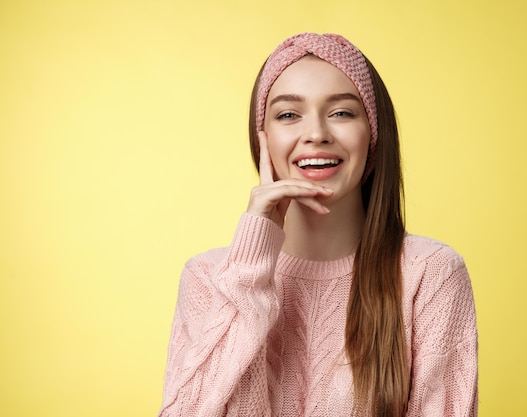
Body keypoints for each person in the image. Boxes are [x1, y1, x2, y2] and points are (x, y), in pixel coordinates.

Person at [158, 33, 478, 417]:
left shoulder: (431, 274)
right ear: (262, 140)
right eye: (288, 115)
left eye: (341, 112)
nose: (316, 134)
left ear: (373, 135)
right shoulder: (209, 278)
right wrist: (250, 266)